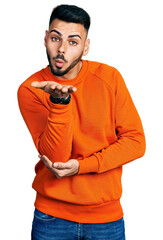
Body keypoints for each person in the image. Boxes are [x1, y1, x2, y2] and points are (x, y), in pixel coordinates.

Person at [18, 4, 146, 240]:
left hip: (106, 218)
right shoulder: (31, 89)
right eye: (55, 38)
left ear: (86, 47)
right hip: (51, 218)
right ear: (45, 38)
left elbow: (136, 142)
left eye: (73, 42)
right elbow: (56, 158)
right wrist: (60, 102)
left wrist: (82, 167)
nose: (62, 49)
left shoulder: (109, 78)